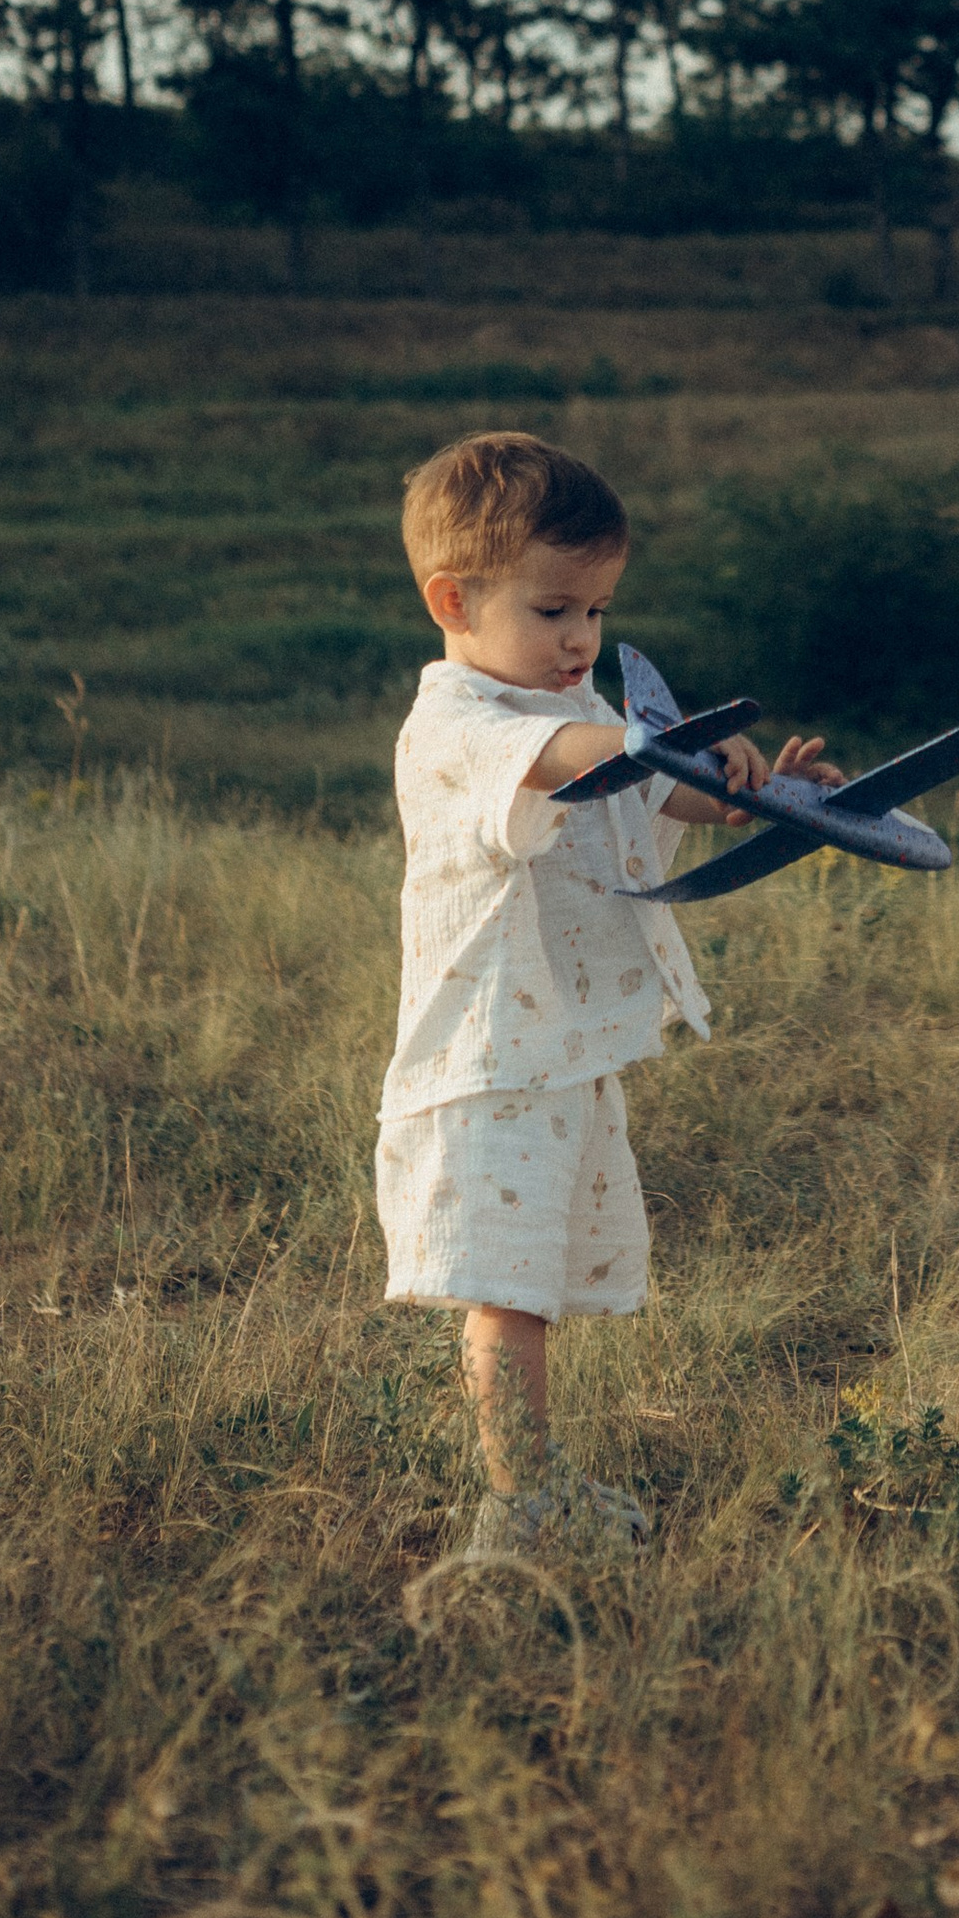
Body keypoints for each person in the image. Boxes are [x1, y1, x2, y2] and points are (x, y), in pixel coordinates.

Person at [380, 429, 841, 1550]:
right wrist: (663, 742)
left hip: (561, 1050)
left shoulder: (569, 709)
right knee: (507, 1294)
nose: (580, 636)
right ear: (454, 598)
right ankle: (517, 1505)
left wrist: (746, 788)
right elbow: (574, 762)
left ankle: (536, 1487)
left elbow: (646, 794)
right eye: (553, 612)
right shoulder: (457, 725)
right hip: (485, 1057)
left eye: (595, 610)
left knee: (536, 1279)